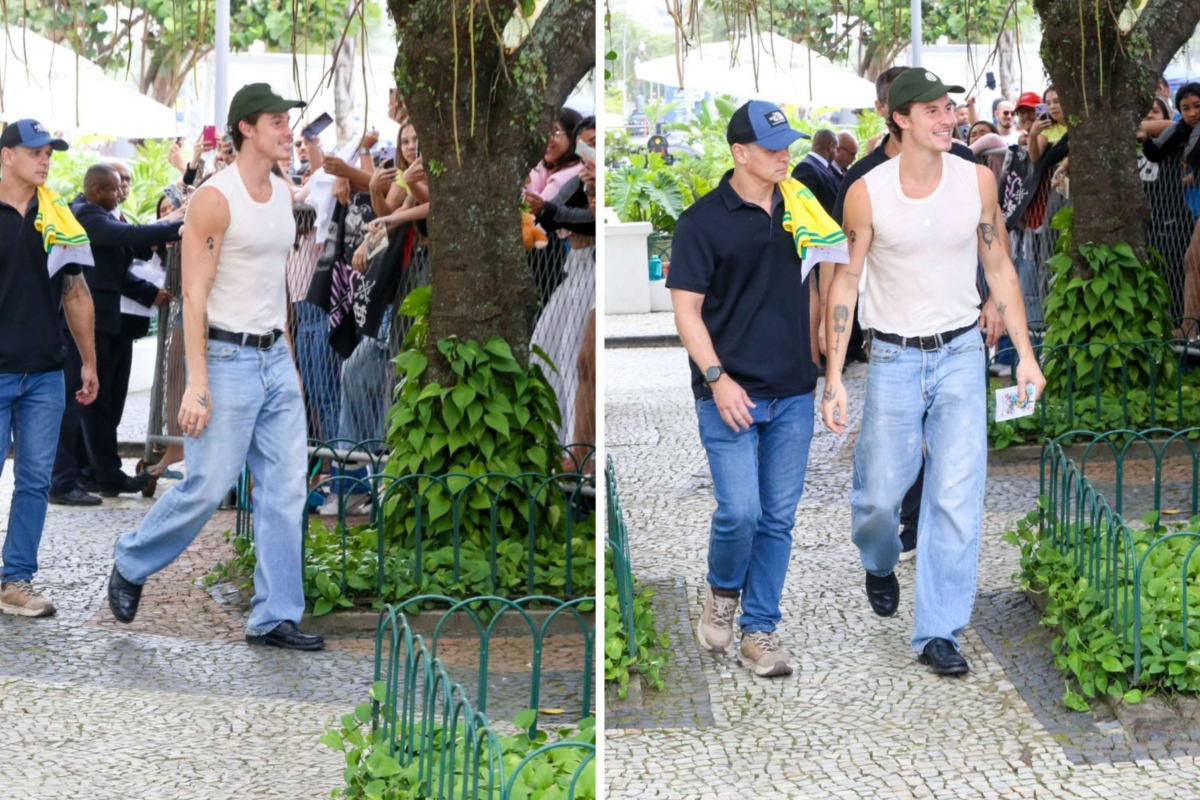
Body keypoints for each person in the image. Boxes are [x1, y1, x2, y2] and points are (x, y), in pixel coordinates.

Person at [822, 70, 1046, 675]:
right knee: (878, 497)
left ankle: (938, 632)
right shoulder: (867, 192)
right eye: (932, 111)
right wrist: (834, 375)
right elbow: (845, 282)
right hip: (893, 357)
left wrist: (1025, 356)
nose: (948, 120)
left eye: (949, 109)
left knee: (954, 497)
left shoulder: (976, 180)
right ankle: (878, 560)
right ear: (900, 118)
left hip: (960, 355)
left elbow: (999, 269)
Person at [107, 83, 325, 651]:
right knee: (207, 485)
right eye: (277, 121)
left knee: (285, 490)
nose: (288, 131)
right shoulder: (214, 199)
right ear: (246, 128)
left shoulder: (282, 193)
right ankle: (132, 560)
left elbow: (275, 286)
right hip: (226, 358)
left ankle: (274, 615)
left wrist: (290, 363)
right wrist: (196, 382)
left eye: (287, 121)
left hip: (275, 357)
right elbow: (194, 295)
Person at [668, 100, 848, 678]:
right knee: (740, 511)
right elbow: (686, 312)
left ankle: (760, 630)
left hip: (793, 390)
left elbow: (823, 285)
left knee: (777, 518)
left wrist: (829, 372)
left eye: (787, 144)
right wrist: (717, 379)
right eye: (771, 148)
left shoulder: (802, 208)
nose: (784, 155)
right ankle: (723, 591)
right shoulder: (700, 222)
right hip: (729, 393)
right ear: (739, 153)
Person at [0, 119, 99, 616]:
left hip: (44, 374)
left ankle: (15, 581)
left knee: (36, 480)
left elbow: (76, 292)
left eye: (49, 153)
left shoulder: (59, 217)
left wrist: (89, 362)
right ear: (7, 156)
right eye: (35, 151)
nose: (45, 160)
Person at [49, 165, 181, 505]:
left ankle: (99, 474)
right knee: (81, 405)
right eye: (113, 188)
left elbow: (126, 258)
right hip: (84, 326)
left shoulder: (100, 215)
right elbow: (129, 237)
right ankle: (68, 480)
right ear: (96, 191)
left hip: (105, 324)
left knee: (100, 406)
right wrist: (179, 223)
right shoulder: (85, 214)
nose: (120, 193)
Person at [531, 117, 597, 452]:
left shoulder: (595, 176)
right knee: (544, 348)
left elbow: (591, 219)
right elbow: (551, 214)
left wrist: (550, 207)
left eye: (595, 144)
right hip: (575, 268)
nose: (590, 152)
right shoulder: (580, 177)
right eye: (585, 145)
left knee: (581, 359)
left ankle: (578, 448)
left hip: (594, 272)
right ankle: (554, 441)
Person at [1144, 84, 1200, 332]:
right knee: (1193, 261)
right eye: (1185, 108)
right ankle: (1189, 328)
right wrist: (1144, 139)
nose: (1192, 113)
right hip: (1195, 209)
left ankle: (1189, 327)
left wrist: (1192, 167)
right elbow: (1157, 151)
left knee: (1192, 259)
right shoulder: (1181, 130)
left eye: (1197, 106)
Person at [791, 128, 840, 213]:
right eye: (836, 149)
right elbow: (803, 207)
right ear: (831, 147)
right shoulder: (805, 168)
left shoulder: (825, 167)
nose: (836, 154)